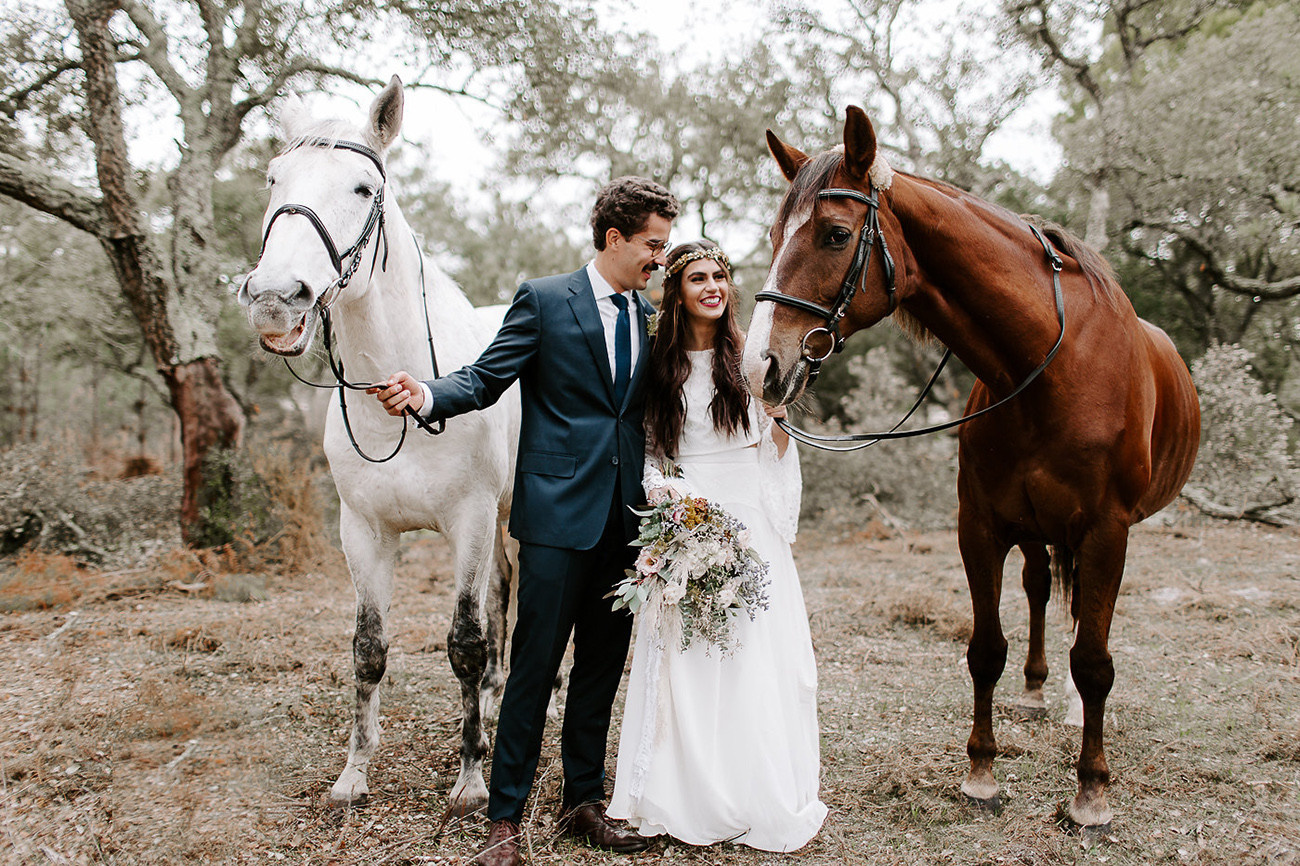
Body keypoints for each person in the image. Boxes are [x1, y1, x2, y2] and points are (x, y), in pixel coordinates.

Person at [370, 177, 680, 866]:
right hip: (554, 520)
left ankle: (582, 802)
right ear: (615, 238)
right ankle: (504, 821)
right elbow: (484, 379)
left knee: (601, 669)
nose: (662, 256)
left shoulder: (648, 315)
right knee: (533, 669)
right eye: (654, 244)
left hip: (628, 522)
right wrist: (426, 394)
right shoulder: (543, 300)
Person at [606, 240, 827, 852]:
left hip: (750, 519)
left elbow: (773, 450)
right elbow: (651, 453)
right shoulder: (658, 366)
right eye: (698, 278)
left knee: (756, 655)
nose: (713, 286)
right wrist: (678, 511)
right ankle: (687, 791)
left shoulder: (749, 361)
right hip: (690, 519)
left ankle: (754, 787)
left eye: (721, 276)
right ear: (676, 292)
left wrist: (779, 419)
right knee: (690, 660)